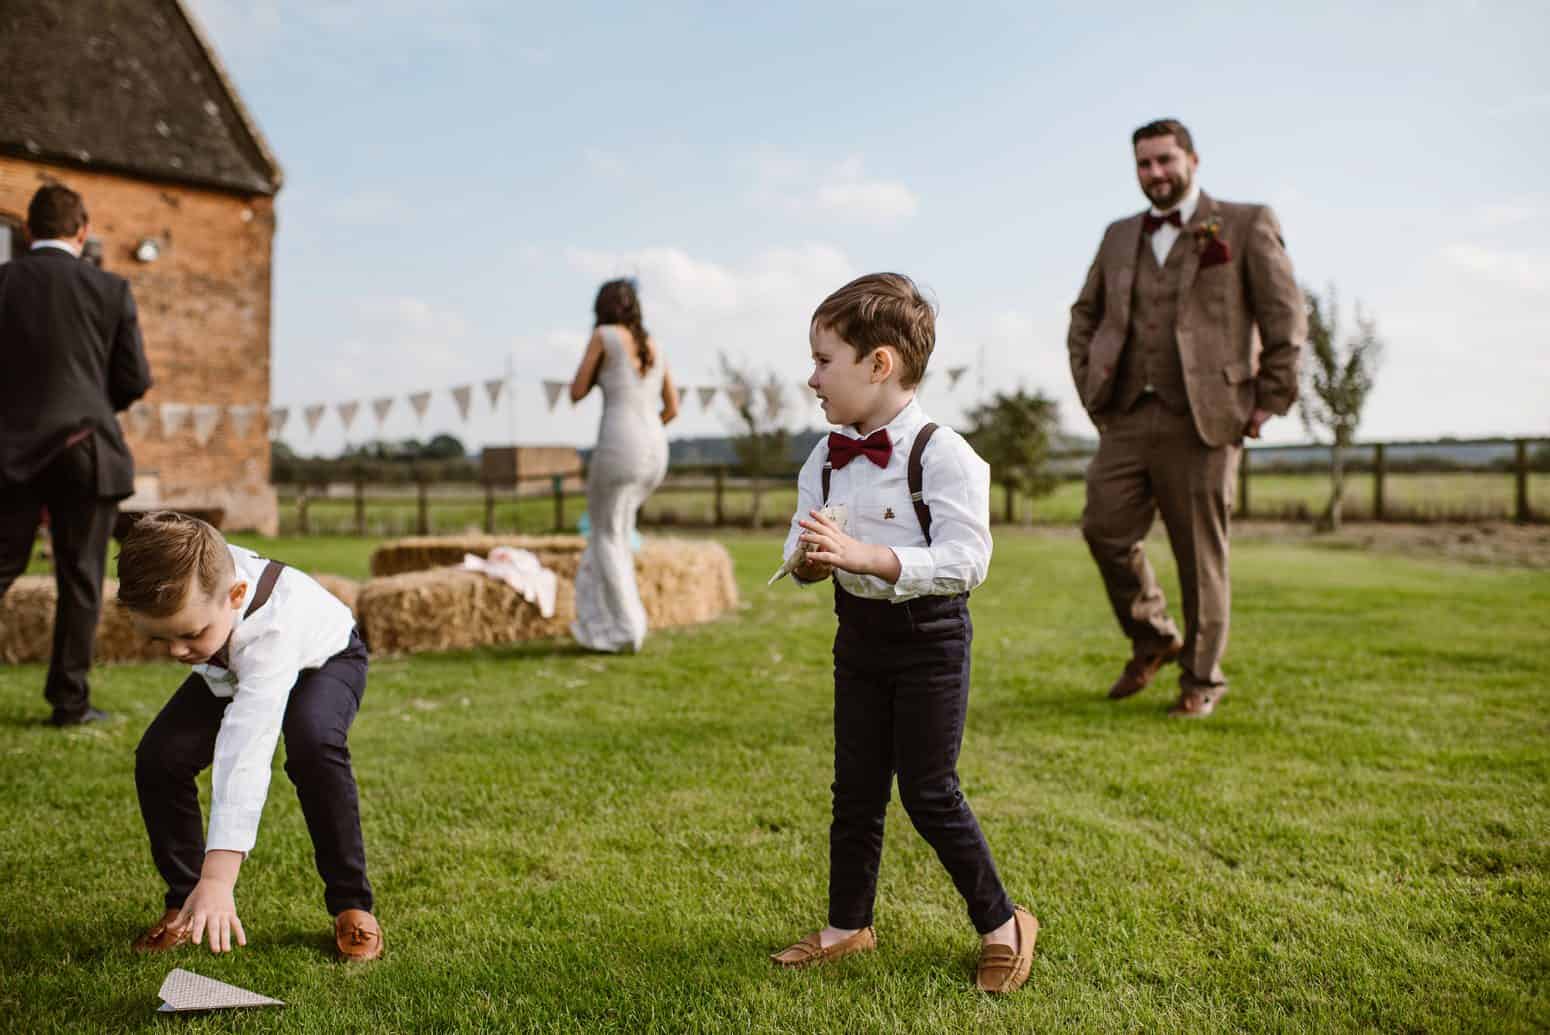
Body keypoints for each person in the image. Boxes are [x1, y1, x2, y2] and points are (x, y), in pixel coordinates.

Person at [770, 273, 1036, 995]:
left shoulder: (944, 453)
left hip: (930, 641)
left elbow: (967, 559)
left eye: (824, 360)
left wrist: (867, 555)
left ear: (878, 363)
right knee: (854, 788)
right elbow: (799, 561)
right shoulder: (824, 459)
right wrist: (810, 558)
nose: (812, 377)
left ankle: (1005, 923)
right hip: (856, 636)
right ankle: (846, 926)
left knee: (928, 789)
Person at [1067, 118, 1305, 718]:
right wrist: (1091, 389)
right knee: (1104, 529)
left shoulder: (1247, 224)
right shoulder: (1118, 235)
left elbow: (1285, 320)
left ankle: (1201, 679)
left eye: (1165, 161)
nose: (1155, 174)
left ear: (1193, 160)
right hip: (1124, 415)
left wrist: (1267, 402)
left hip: (1207, 419)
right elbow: (1085, 315)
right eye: (1144, 164)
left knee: (1200, 556)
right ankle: (1152, 636)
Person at [117, 512, 383, 961]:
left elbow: (247, 748)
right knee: (161, 757)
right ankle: (185, 902)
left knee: (313, 744)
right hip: (232, 667)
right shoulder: (195, 578)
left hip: (325, 659)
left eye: (189, 634)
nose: (178, 652)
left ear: (236, 596)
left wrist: (221, 876)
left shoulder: (272, 629)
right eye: (161, 640)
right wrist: (202, 640)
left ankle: (352, 904)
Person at [0, 183, 152, 726]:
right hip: (87, 447)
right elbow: (135, 378)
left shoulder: (4, 281)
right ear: (82, 230)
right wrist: (88, 404)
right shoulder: (110, 289)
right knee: (82, 578)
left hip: (8, 449)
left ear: (26, 230)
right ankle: (70, 703)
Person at [567, 278, 678, 652]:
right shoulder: (654, 347)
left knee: (606, 536)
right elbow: (672, 408)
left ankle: (626, 628)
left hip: (619, 445)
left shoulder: (604, 336)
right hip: (656, 451)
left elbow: (576, 391)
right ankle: (595, 618)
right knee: (617, 533)